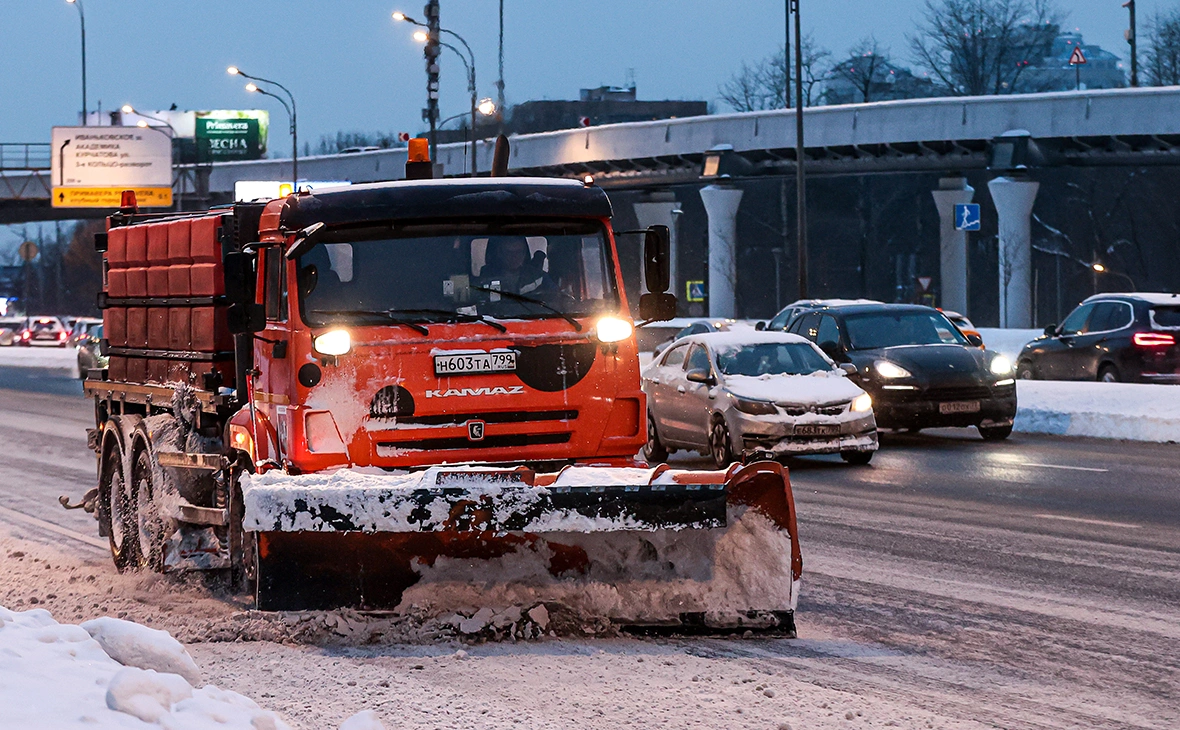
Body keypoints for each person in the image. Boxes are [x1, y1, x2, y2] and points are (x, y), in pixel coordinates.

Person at [478, 236, 551, 295]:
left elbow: (555, 296)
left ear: (524, 253)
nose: (514, 257)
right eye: (509, 252)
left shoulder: (538, 277)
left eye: (518, 252)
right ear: (500, 254)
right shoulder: (487, 276)